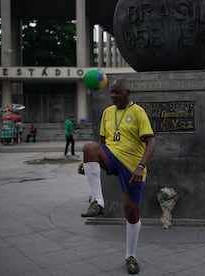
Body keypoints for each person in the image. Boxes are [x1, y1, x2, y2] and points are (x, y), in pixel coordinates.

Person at [78, 79, 155, 275]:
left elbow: (151, 143)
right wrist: (88, 160)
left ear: (127, 93)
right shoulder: (107, 112)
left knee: (132, 214)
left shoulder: (137, 111)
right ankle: (98, 202)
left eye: (117, 93)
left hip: (132, 167)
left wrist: (140, 167)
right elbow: (101, 143)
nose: (113, 96)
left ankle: (131, 256)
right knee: (89, 147)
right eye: (111, 93)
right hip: (112, 157)